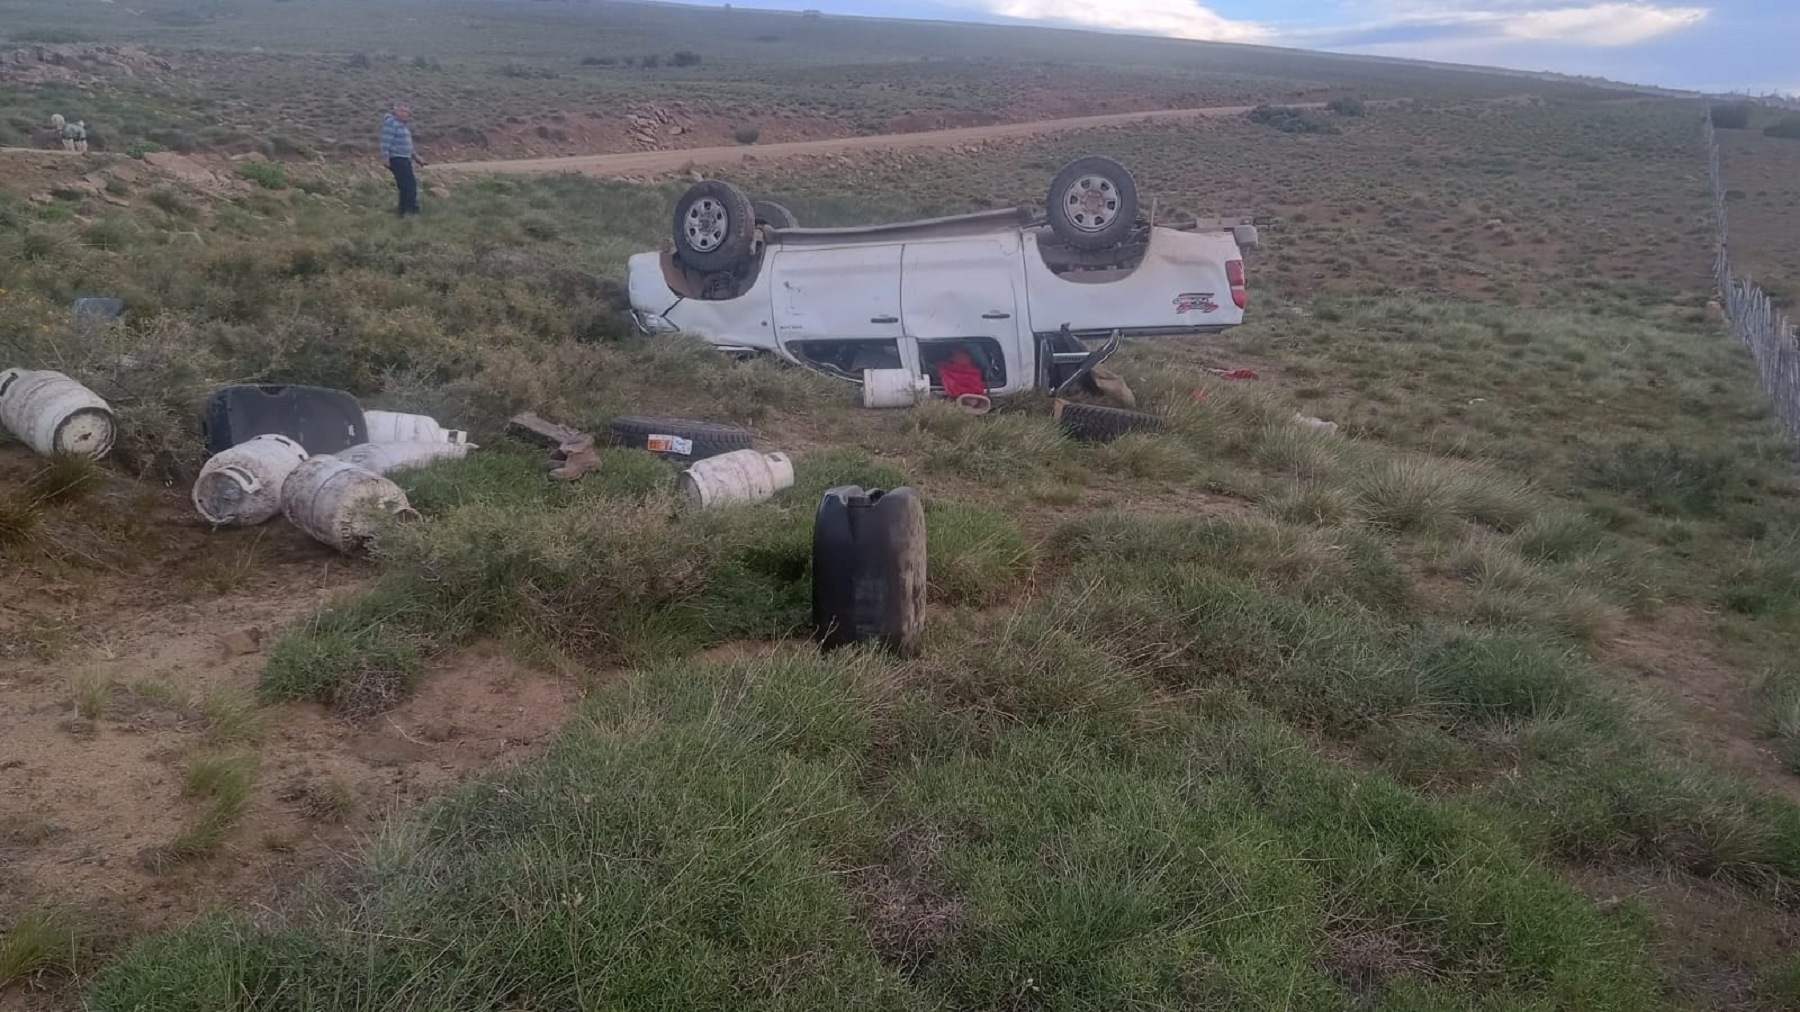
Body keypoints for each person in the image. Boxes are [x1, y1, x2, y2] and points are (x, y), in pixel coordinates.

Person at [380, 104, 423, 216]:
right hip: (397, 158)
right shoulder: (391, 123)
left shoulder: (402, 125)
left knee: (404, 186)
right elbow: (385, 142)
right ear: (395, 112)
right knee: (410, 185)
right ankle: (412, 211)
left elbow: (408, 145)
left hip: (404, 158)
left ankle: (402, 212)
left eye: (406, 112)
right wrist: (385, 158)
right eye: (402, 111)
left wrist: (416, 157)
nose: (404, 114)